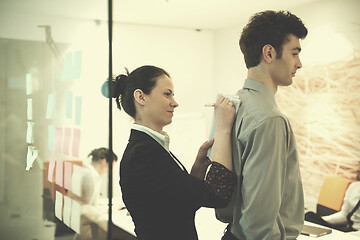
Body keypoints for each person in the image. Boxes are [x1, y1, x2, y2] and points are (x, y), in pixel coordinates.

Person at [112, 65, 237, 240]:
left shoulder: (149, 148)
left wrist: (196, 172)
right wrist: (223, 129)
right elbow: (218, 195)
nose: (175, 102)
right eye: (167, 94)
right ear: (141, 97)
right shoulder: (143, 154)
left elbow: (178, 204)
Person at [215, 10, 308, 240]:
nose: (299, 63)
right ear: (269, 52)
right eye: (294, 53)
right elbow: (259, 221)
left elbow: (221, 198)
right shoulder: (270, 120)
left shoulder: (230, 107)